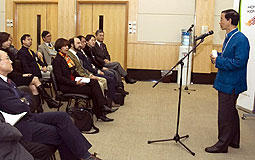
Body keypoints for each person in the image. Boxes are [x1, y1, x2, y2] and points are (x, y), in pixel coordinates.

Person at [0, 50, 101, 160]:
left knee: (62, 116)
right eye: (7, 59)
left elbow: (28, 99)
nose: (11, 61)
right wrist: (24, 101)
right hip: (20, 126)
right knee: (62, 133)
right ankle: (85, 156)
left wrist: (24, 101)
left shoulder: (7, 81)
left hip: (28, 116)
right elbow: (18, 107)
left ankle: (85, 155)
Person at [206, 9, 250, 153]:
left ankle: (222, 144)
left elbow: (239, 62)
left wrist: (219, 60)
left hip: (231, 82)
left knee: (225, 114)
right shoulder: (230, 36)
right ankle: (234, 140)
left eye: (222, 19)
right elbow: (228, 56)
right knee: (231, 111)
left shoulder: (240, 39)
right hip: (226, 80)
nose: (220, 21)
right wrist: (217, 56)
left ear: (230, 21)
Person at [52, 38, 114, 122]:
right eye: (64, 46)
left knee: (94, 82)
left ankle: (101, 108)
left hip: (75, 81)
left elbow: (73, 72)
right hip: (67, 86)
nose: (67, 47)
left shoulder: (66, 58)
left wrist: (83, 79)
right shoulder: (57, 60)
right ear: (59, 48)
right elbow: (60, 79)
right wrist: (75, 83)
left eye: (67, 46)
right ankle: (101, 111)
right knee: (93, 90)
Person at [0, 32, 61, 112]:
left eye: (10, 40)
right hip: (9, 79)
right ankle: (49, 101)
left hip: (16, 75)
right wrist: (23, 75)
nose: (10, 42)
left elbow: (17, 68)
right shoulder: (6, 54)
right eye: (7, 40)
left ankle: (38, 110)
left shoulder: (11, 53)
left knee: (33, 87)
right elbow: (13, 72)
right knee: (35, 79)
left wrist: (42, 66)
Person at [76, 35, 120, 107]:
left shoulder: (89, 50)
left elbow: (93, 62)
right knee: (110, 77)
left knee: (112, 73)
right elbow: (86, 66)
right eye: (81, 42)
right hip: (91, 72)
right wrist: (97, 70)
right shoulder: (82, 52)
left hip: (95, 68)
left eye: (83, 42)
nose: (82, 44)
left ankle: (112, 97)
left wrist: (99, 68)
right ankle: (108, 101)